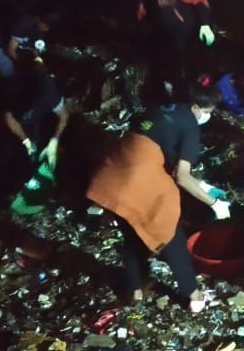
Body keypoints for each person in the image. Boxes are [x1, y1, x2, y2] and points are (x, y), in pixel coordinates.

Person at [87, 77, 230, 304]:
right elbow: (182, 177)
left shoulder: (160, 109)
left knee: (133, 232)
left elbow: (158, 153)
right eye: (207, 111)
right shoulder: (190, 126)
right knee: (170, 233)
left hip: (110, 174)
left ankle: (134, 290)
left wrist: (199, 185)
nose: (208, 116)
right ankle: (193, 295)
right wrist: (214, 204)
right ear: (195, 107)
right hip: (136, 179)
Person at [0, 48, 69, 205]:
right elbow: (8, 118)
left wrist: (55, 140)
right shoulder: (17, 91)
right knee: (7, 152)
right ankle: (1, 187)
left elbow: (64, 116)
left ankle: (23, 182)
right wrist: (24, 140)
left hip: (31, 119)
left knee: (32, 153)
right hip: (15, 118)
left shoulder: (50, 94)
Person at [135, 0, 215, 88]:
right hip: (162, 30)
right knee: (166, 60)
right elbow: (140, 10)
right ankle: (170, 84)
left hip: (185, 28)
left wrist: (205, 24)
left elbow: (200, 0)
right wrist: (143, 28)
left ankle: (192, 85)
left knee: (185, 57)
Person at [0, 8, 55, 79]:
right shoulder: (24, 23)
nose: (46, 29)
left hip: (13, 43)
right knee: (9, 72)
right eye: (45, 26)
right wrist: (31, 66)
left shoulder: (41, 29)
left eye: (49, 28)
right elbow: (10, 52)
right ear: (38, 19)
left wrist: (40, 63)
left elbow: (33, 48)